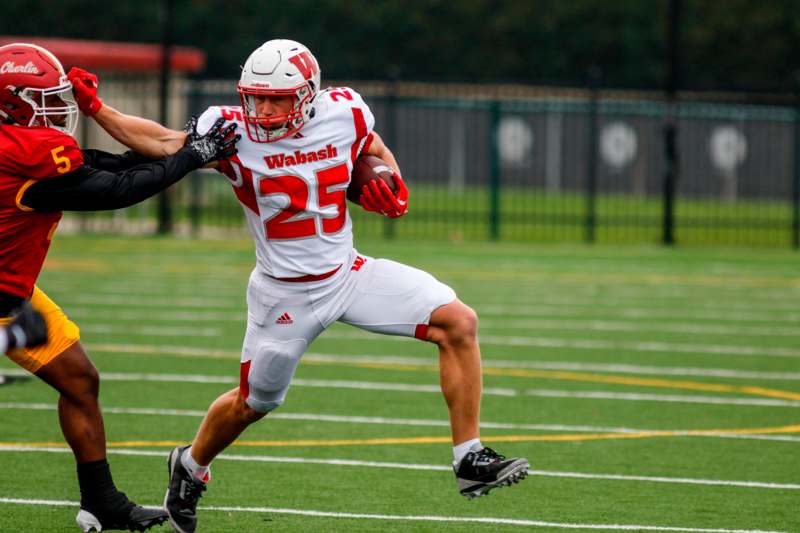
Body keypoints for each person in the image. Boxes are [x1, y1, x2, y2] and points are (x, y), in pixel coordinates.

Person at [69, 38, 529, 533]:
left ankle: (469, 457)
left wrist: (391, 181)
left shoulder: (345, 111)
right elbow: (160, 143)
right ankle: (190, 465)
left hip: (348, 273)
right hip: (283, 292)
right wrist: (97, 109)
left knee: (458, 321)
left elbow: (370, 148)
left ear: (308, 95)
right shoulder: (229, 128)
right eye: (255, 96)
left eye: (277, 99)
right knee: (255, 402)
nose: (263, 109)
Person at [0, 42, 239, 532]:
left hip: (11, 291)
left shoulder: (23, 146)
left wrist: (187, 152)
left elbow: (104, 167)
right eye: (45, 101)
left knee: (80, 381)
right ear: (12, 105)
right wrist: (192, 155)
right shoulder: (24, 153)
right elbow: (120, 191)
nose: (58, 111)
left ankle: (101, 502)